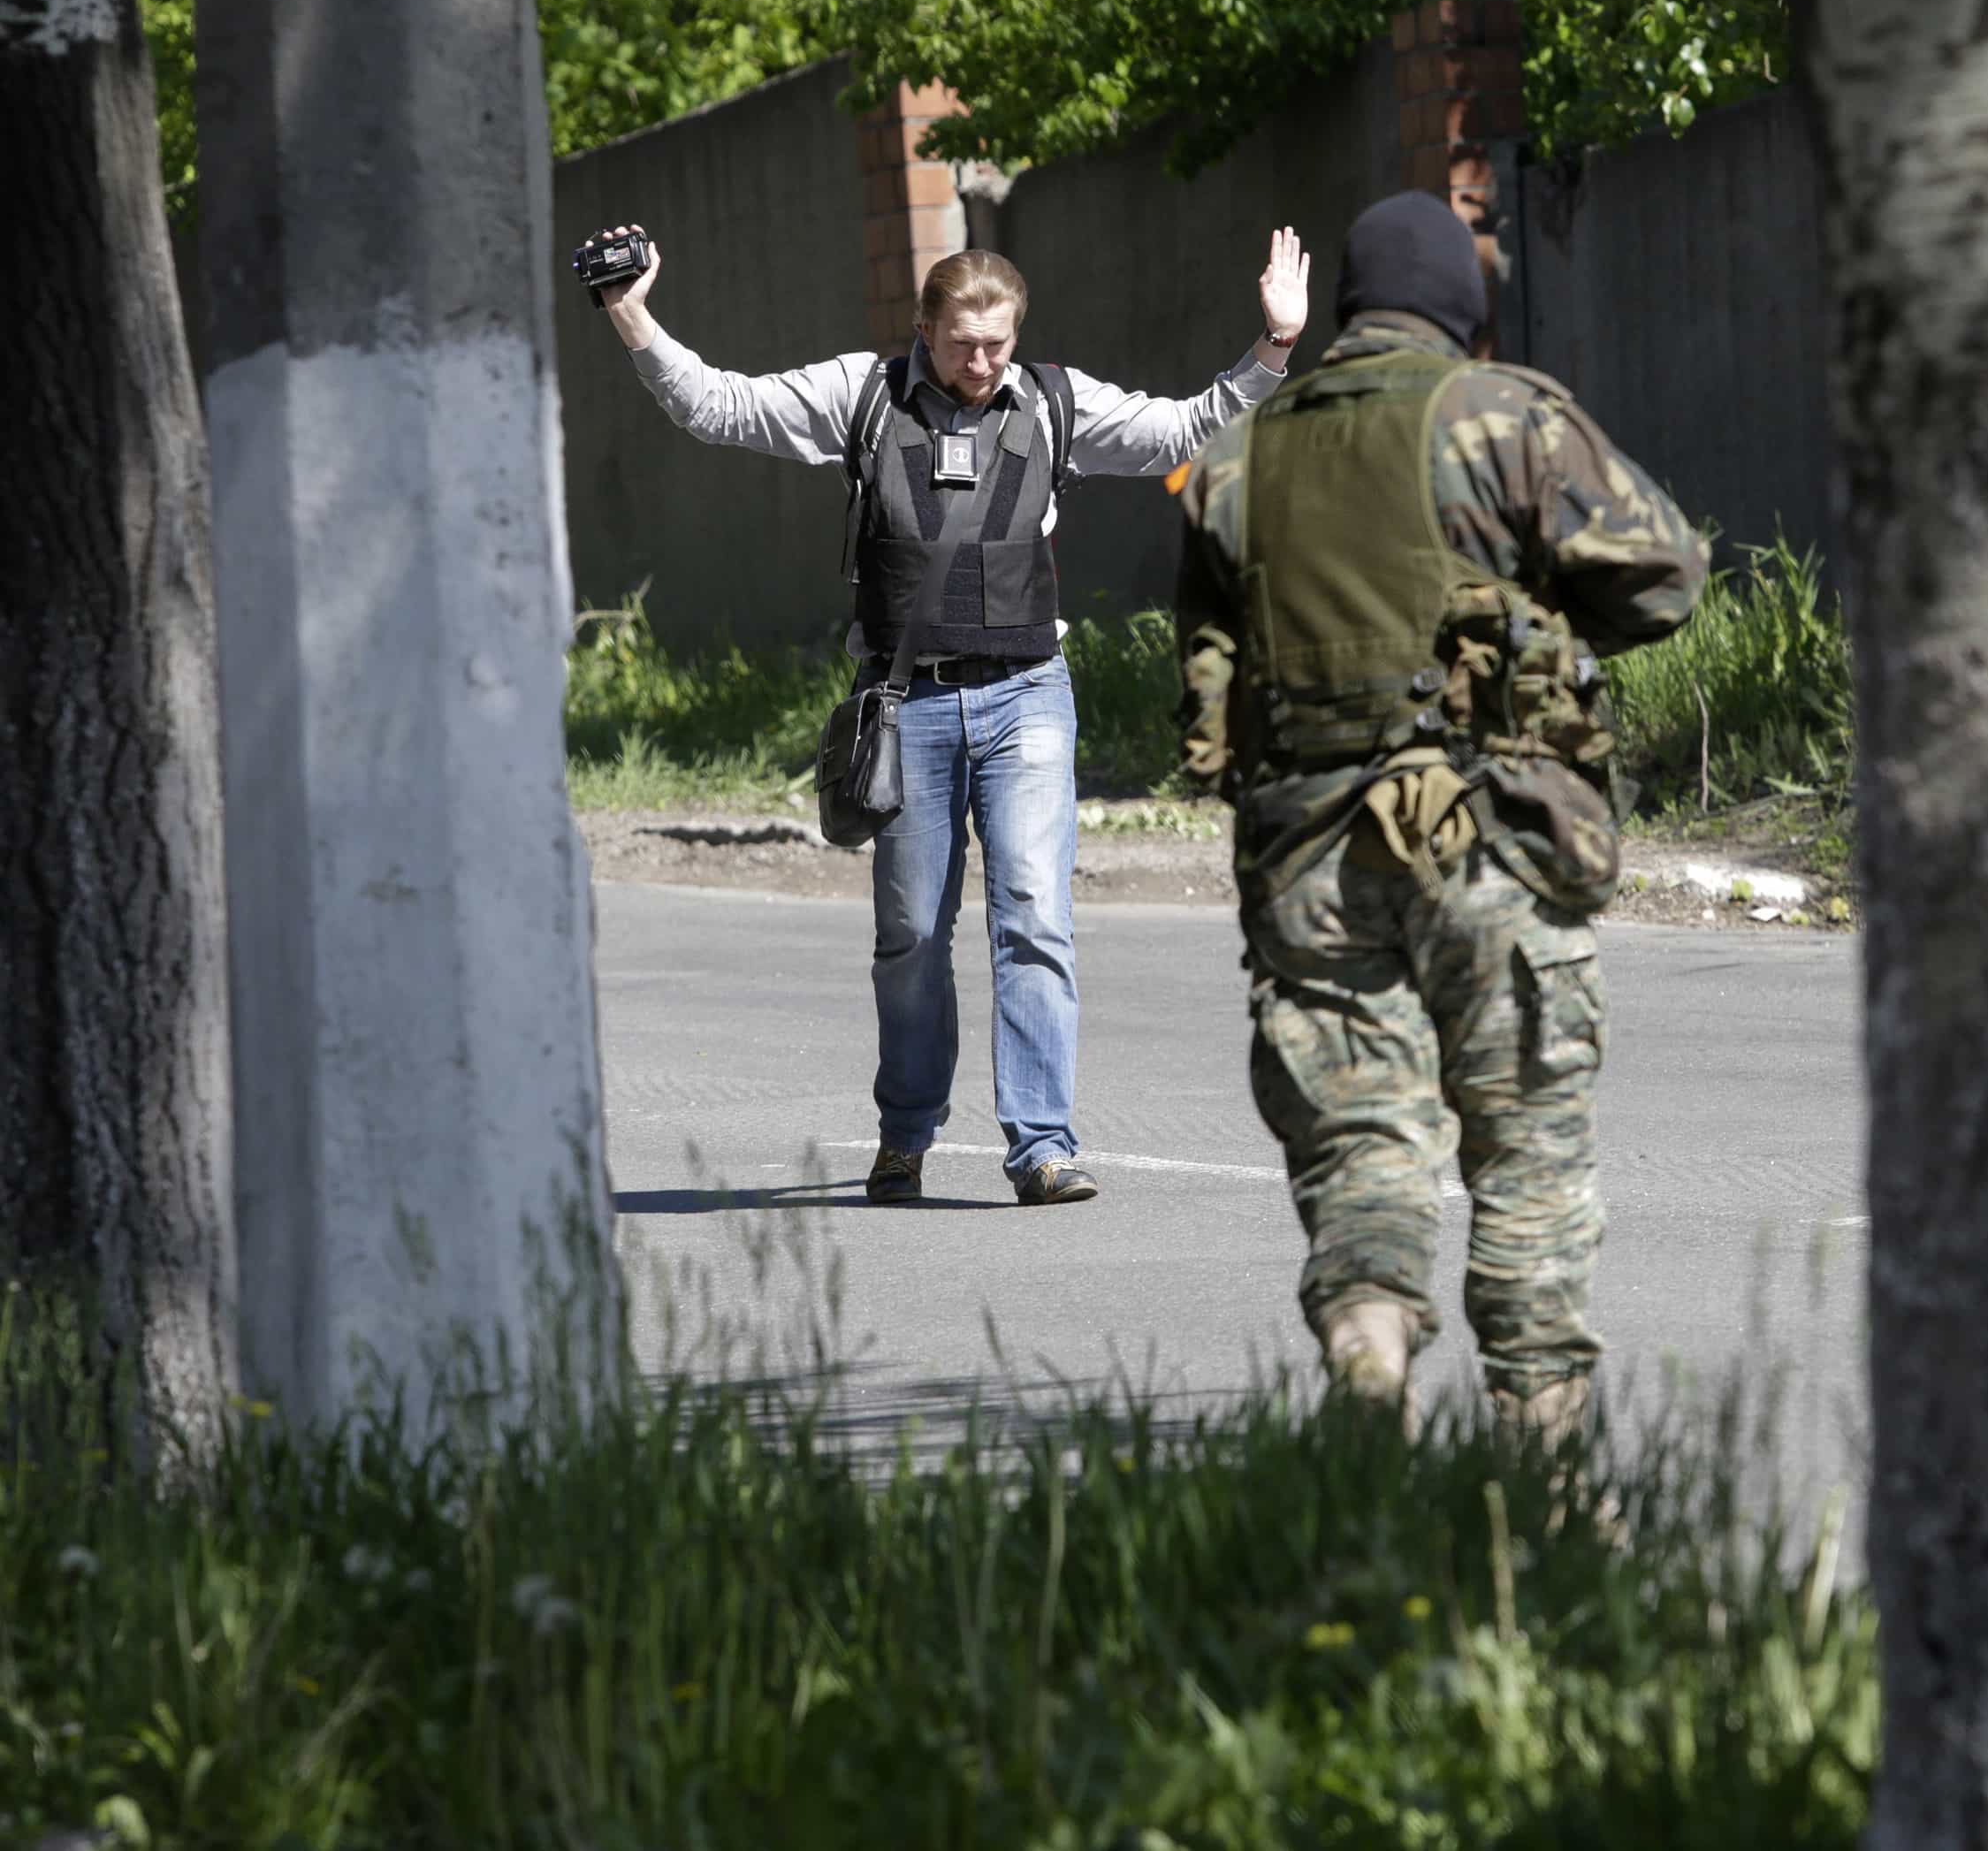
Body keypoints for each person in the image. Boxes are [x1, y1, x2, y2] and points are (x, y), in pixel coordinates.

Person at [584, 224, 1311, 1208]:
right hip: (907, 704)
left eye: (997, 342)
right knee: (911, 939)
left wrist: (1271, 347)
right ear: (923, 326)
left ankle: (1042, 1145)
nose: (980, 361)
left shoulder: (1054, 399)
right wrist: (629, 311)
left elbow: (1180, 430)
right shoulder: (862, 393)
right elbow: (719, 406)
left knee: (1035, 918)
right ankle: (907, 1129)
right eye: (962, 341)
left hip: (1028, 696)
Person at [1172, 191, 1705, 1435]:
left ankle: (1367, 1359)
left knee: (1361, 1141)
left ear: (1352, 304)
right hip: (1491, 839)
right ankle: (1545, 1467)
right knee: (1524, 1152)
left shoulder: (1241, 453)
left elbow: (1205, 670)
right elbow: (1667, 574)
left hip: (1307, 854)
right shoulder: (1503, 413)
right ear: (1462, 314)